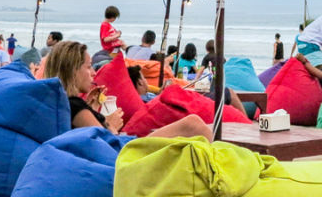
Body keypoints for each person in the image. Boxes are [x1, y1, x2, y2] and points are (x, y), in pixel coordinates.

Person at [45, 40, 209, 139]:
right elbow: (105, 143)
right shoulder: (74, 106)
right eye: (88, 67)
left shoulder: (64, 104)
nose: (94, 72)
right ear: (73, 70)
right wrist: (111, 124)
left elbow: (89, 134)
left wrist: (93, 107)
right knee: (192, 123)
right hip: (123, 155)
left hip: (120, 149)